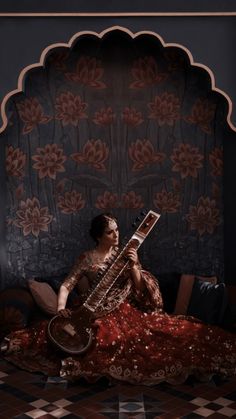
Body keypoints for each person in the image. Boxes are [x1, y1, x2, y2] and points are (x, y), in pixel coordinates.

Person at [2, 213, 236, 385]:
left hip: (122, 310)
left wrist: (134, 266)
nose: (116, 235)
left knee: (154, 338)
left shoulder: (125, 256)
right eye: (110, 231)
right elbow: (67, 284)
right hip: (92, 311)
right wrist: (61, 308)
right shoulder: (87, 258)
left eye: (117, 230)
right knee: (83, 341)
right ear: (98, 236)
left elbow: (139, 287)